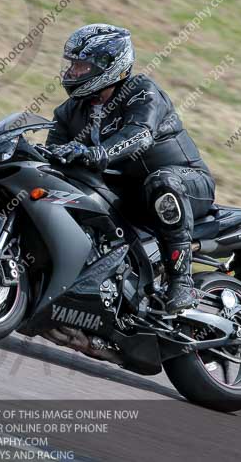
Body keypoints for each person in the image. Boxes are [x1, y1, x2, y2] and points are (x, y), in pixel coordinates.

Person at [46, 24, 215, 313]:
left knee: (162, 182)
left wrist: (97, 152)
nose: (73, 72)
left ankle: (181, 281)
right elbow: (53, 152)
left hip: (187, 184)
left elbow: (140, 135)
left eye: (82, 65)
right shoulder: (71, 110)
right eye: (72, 65)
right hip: (129, 192)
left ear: (110, 66)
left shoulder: (142, 92)